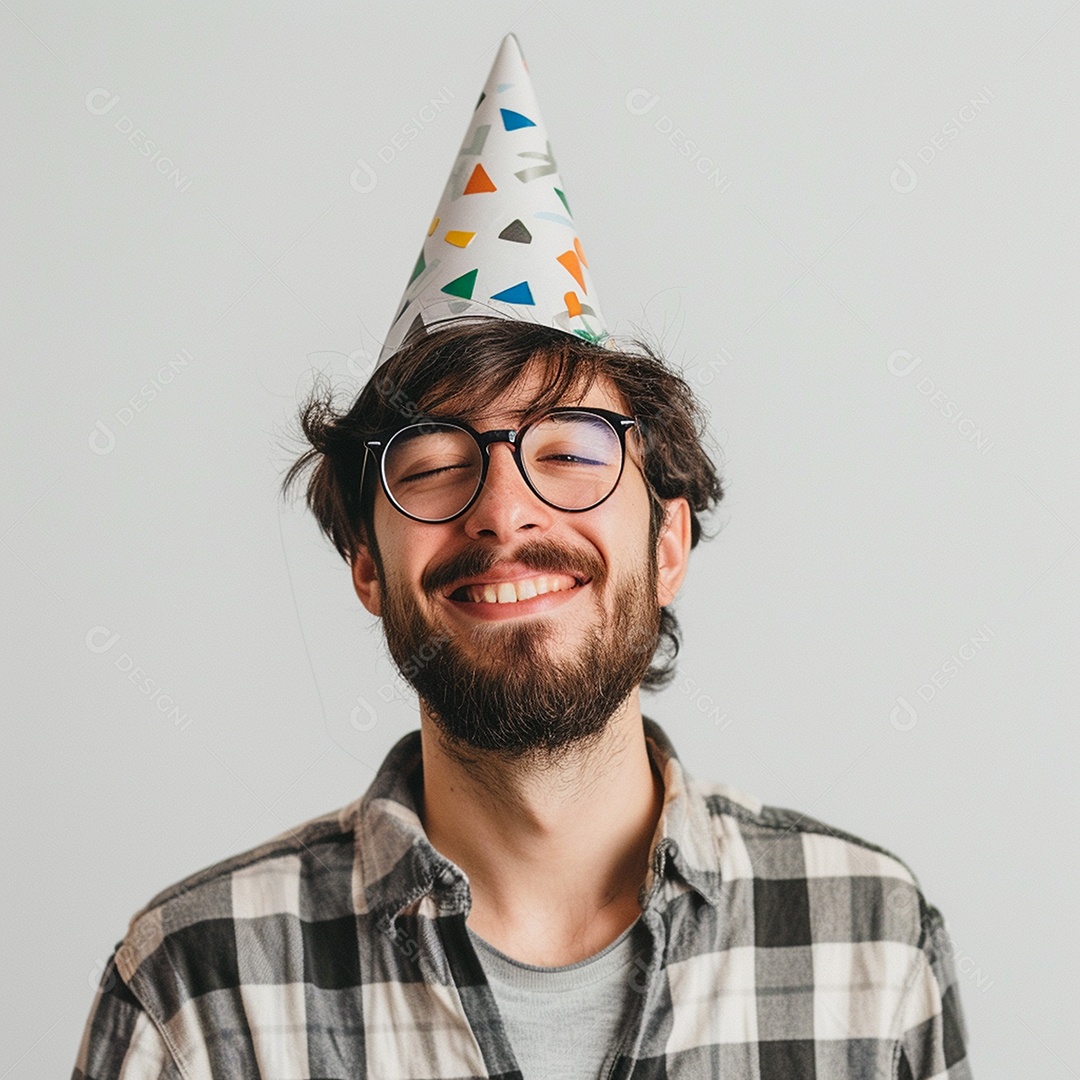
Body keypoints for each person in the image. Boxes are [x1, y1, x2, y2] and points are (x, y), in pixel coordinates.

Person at [73, 34, 972, 1080]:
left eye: (570, 454)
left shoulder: (872, 948)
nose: (504, 513)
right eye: (434, 465)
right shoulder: (193, 992)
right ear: (366, 565)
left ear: (668, 541)